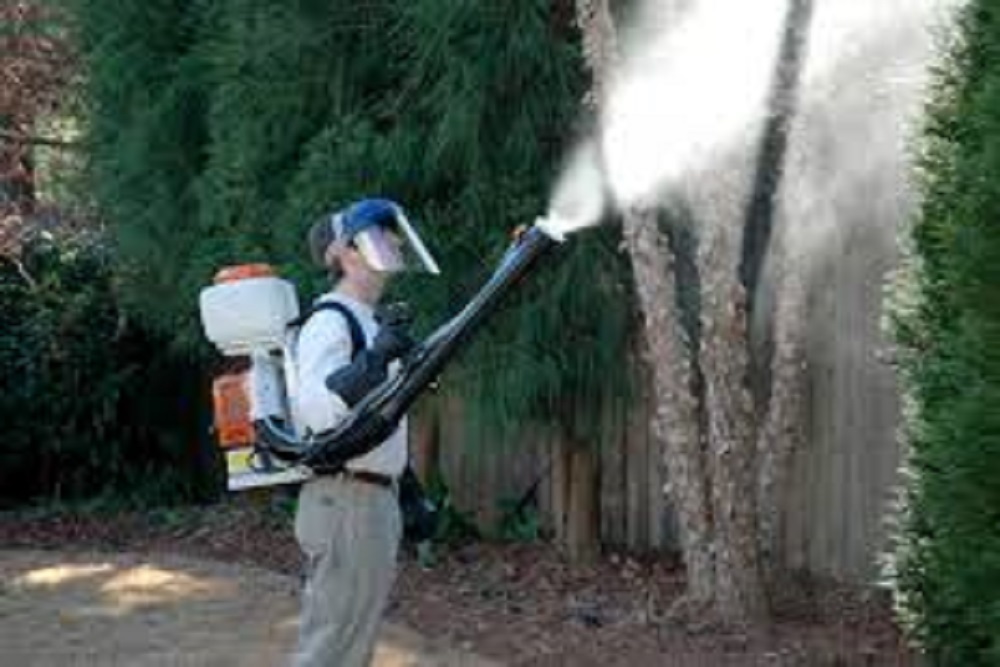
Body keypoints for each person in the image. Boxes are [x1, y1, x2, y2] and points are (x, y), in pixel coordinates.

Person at [289, 198, 439, 667]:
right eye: (378, 235)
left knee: (351, 644)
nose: (394, 242)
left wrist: (405, 488)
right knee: (332, 645)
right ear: (345, 253)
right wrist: (375, 360)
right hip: (345, 501)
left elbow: (374, 422)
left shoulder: (367, 320)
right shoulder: (331, 321)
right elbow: (318, 411)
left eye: (392, 235)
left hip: (367, 498)